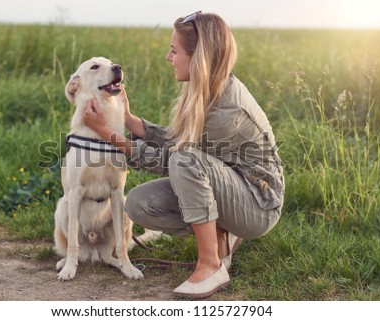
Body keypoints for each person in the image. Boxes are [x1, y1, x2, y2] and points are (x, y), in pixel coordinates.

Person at [83, 11, 284, 298]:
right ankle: (221, 235)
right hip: (227, 184)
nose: (168, 57)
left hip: (258, 205)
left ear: (198, 57)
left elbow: (174, 161)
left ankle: (211, 265)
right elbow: (179, 143)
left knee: (185, 161)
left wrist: (108, 134)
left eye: (174, 50)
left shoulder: (227, 111)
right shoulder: (205, 88)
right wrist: (129, 120)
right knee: (140, 204)